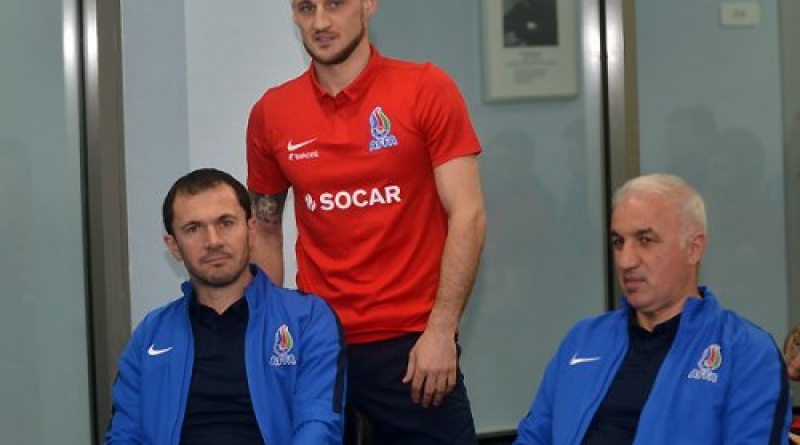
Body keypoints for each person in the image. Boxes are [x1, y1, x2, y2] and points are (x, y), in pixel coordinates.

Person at [246, 1, 486, 443]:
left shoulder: (425, 88)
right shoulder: (272, 112)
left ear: (369, 4)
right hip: (319, 342)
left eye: (335, 4)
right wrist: (270, 333)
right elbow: (264, 228)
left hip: (414, 344)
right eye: (306, 8)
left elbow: (467, 215)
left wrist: (441, 330)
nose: (320, 22)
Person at [513, 173, 791, 444]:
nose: (626, 260)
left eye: (645, 240)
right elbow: (534, 436)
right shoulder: (584, 339)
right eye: (618, 242)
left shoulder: (745, 352)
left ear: (694, 249)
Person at [104, 168, 346, 444]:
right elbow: (124, 435)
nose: (213, 241)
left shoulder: (307, 319)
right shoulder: (151, 334)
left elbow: (318, 426)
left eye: (226, 223)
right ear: (173, 246)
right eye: (193, 229)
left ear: (251, 230)